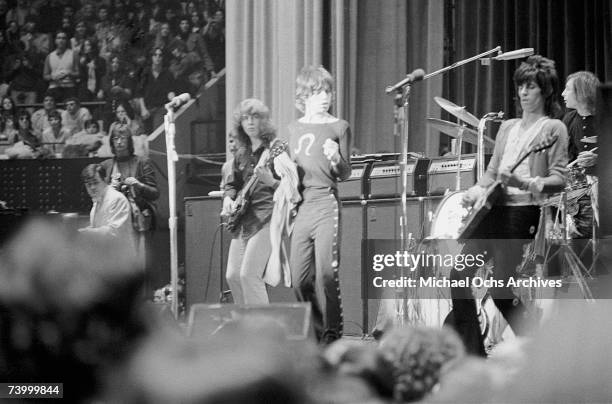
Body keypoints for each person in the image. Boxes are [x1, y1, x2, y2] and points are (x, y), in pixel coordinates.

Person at [453, 55, 568, 356]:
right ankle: (472, 354)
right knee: (458, 275)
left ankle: (538, 346)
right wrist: (475, 190)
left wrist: (525, 183)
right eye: (521, 86)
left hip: (522, 211)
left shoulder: (554, 127)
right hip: (493, 210)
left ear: (545, 91)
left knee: (502, 289)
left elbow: (560, 178)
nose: (524, 93)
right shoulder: (507, 127)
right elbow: (492, 172)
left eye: (531, 87)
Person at [286, 66, 351, 344]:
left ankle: (333, 332)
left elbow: (345, 173)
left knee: (327, 271)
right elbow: (291, 171)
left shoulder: (339, 126)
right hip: (303, 206)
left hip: (326, 202)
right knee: (300, 278)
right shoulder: (294, 128)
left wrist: (336, 157)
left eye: (328, 91)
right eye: (317, 92)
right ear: (305, 96)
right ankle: (314, 330)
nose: (325, 97)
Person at [222, 98, 278, 305]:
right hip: (243, 220)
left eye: (255, 117)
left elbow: (290, 187)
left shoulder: (275, 150)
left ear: (264, 121)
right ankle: (245, 325)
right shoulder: (241, 153)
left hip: (266, 217)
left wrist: (271, 181)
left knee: (249, 275)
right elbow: (232, 184)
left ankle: (262, 332)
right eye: (245, 118)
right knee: (233, 276)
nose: (250, 122)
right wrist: (228, 198)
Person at [100, 124, 159, 293]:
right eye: (115, 138)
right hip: (114, 223)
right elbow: (97, 196)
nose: (119, 142)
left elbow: (155, 193)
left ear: (129, 141)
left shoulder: (142, 162)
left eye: (123, 138)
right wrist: (109, 188)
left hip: (137, 222)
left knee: (139, 266)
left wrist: (138, 185)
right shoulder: (105, 166)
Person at [561, 71, 601, 240]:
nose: (563, 93)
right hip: (579, 192)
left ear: (581, 92)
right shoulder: (569, 119)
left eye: (567, 89)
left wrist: (600, 159)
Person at [79, 163, 134, 245]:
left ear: (105, 180)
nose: (92, 187)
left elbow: (115, 232)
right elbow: (98, 227)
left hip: (120, 254)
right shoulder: (97, 200)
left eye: (95, 182)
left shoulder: (117, 199)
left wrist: (89, 232)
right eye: (89, 184)